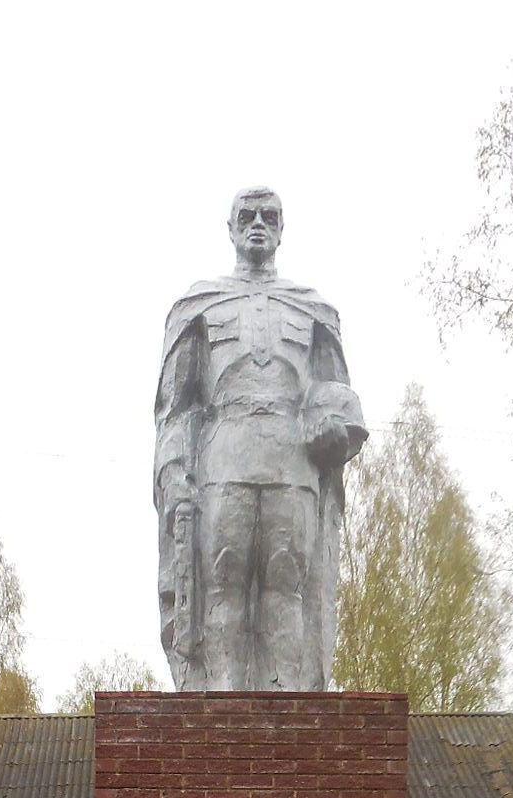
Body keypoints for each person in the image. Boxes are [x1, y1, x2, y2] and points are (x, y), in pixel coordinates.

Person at [155, 187, 368, 690]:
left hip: (292, 465)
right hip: (222, 460)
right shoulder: (199, 306)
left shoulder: (313, 311)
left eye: (268, 216)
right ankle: (223, 705)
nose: (257, 224)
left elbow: (340, 402)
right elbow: (177, 408)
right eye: (246, 216)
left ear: (281, 229)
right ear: (229, 229)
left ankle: (286, 707)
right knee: (222, 582)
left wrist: (333, 431)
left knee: (286, 583)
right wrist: (175, 477)